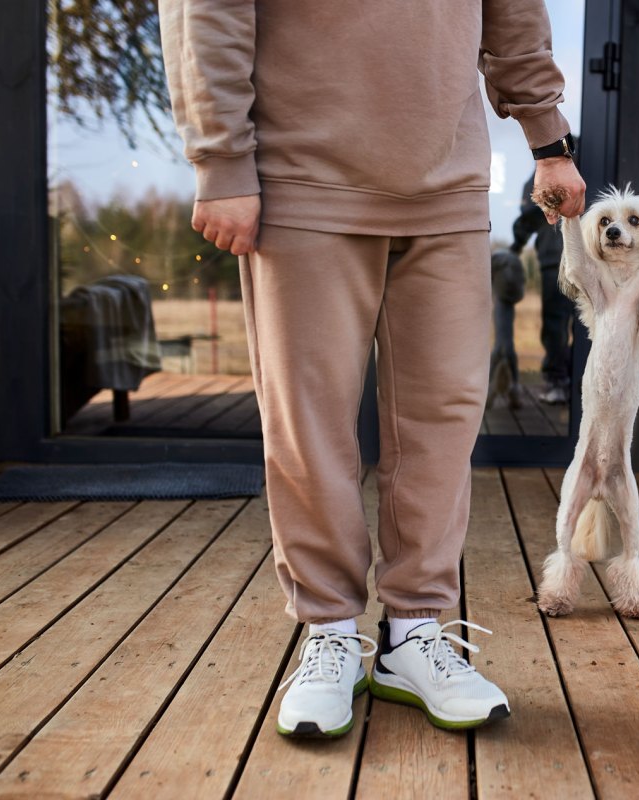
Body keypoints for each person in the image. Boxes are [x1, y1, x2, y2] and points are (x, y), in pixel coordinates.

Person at [159, 0, 585, 735]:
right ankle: (329, 632)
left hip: (446, 176)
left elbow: (511, 7)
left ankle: (413, 633)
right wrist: (222, 155)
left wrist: (548, 137)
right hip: (302, 172)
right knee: (310, 419)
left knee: (445, 415)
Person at [511, 174, 573, 405]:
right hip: (583, 257)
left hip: (555, 259)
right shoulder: (587, 162)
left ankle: (557, 381)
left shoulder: (541, 175)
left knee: (555, 324)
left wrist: (516, 244)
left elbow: (529, 216)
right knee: (584, 324)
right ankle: (572, 380)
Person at [488, 248, 527, 409]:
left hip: (501, 304)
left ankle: (488, 394)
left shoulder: (496, 263)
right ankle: (514, 391)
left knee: (500, 350)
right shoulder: (509, 264)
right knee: (507, 349)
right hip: (506, 304)